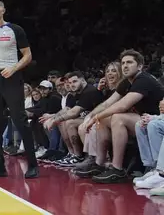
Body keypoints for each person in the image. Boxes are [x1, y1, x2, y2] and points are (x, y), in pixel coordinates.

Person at [79, 49, 164, 183]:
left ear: (140, 66)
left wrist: (95, 117)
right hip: (142, 121)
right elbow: (107, 103)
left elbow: (122, 106)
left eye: (129, 62)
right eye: (123, 63)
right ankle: (99, 163)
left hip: (156, 120)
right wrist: (90, 116)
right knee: (103, 118)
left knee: (118, 117)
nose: (125, 65)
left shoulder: (144, 79)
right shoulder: (126, 82)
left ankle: (117, 169)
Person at [0, 0, 38, 179]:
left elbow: (28, 55)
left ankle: (32, 164)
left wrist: (14, 68)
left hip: (12, 77)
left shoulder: (15, 30)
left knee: (20, 120)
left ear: (3, 10)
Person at [41, 71, 103, 166]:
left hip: (98, 119)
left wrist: (53, 120)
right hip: (88, 118)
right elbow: (68, 109)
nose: (71, 85)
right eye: (69, 83)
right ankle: (72, 153)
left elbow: (74, 112)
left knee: (69, 123)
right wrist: (53, 118)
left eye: (74, 81)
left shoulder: (89, 91)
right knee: (63, 122)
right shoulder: (78, 92)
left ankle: (78, 155)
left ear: (82, 80)